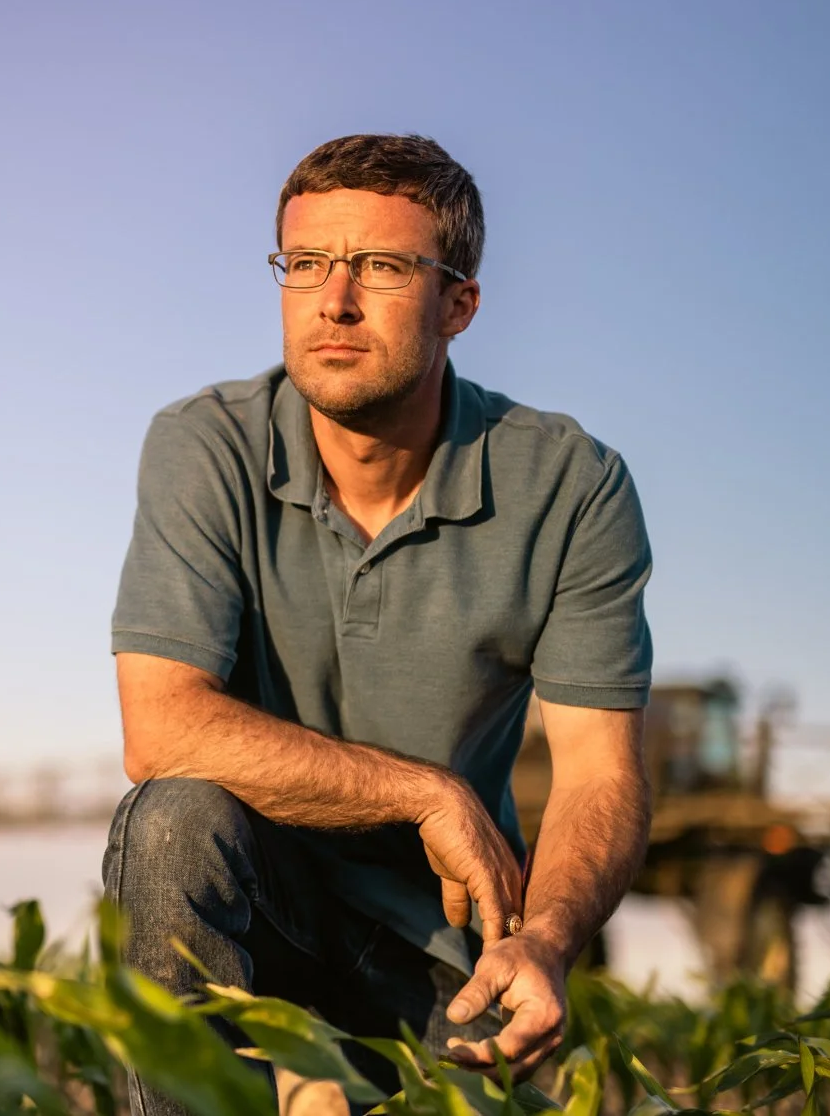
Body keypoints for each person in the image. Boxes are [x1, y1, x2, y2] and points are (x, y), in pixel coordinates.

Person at [102, 134, 654, 1112]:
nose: (333, 300)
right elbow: (161, 727)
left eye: (383, 267)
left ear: (458, 303)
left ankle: (319, 1076)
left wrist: (543, 937)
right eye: (305, 263)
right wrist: (424, 794)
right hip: (257, 900)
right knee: (172, 822)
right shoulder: (205, 444)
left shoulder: (570, 483)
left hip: (437, 945)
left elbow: (597, 773)